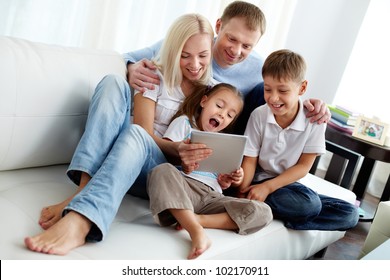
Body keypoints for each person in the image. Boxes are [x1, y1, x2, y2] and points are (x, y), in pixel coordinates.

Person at [25, 13, 216, 255]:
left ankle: (81, 219)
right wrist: (176, 147)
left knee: (136, 134)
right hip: (125, 156)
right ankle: (84, 190)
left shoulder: (213, 93)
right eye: (185, 56)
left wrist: (189, 155)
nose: (195, 65)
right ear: (172, 51)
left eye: (203, 56)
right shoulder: (155, 75)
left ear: (211, 51)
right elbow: (145, 132)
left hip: (158, 174)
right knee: (113, 83)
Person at [125, 0, 331, 134]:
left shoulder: (259, 68)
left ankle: (244, 171)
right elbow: (128, 57)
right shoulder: (189, 43)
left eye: (247, 45)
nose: (236, 50)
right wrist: (131, 67)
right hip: (182, 125)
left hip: (225, 130)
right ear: (218, 26)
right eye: (232, 39)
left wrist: (310, 106)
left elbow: (282, 92)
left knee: (262, 89)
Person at [147, 83, 272, 259]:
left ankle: (196, 219)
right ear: (204, 101)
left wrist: (231, 179)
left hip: (212, 197)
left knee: (264, 212)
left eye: (229, 115)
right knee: (161, 171)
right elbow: (165, 154)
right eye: (219, 106)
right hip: (184, 189)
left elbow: (223, 180)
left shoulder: (225, 141)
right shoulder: (184, 123)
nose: (222, 114)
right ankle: (195, 230)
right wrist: (183, 163)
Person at [238, 49, 359, 231]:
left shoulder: (314, 120)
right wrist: (241, 193)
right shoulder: (259, 115)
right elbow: (250, 160)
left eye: (283, 90)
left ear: (302, 88)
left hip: (288, 185)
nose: (273, 98)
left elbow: (304, 166)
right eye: (267, 89)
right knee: (309, 205)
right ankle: (291, 210)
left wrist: (268, 188)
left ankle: (286, 215)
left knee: (350, 214)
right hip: (259, 181)